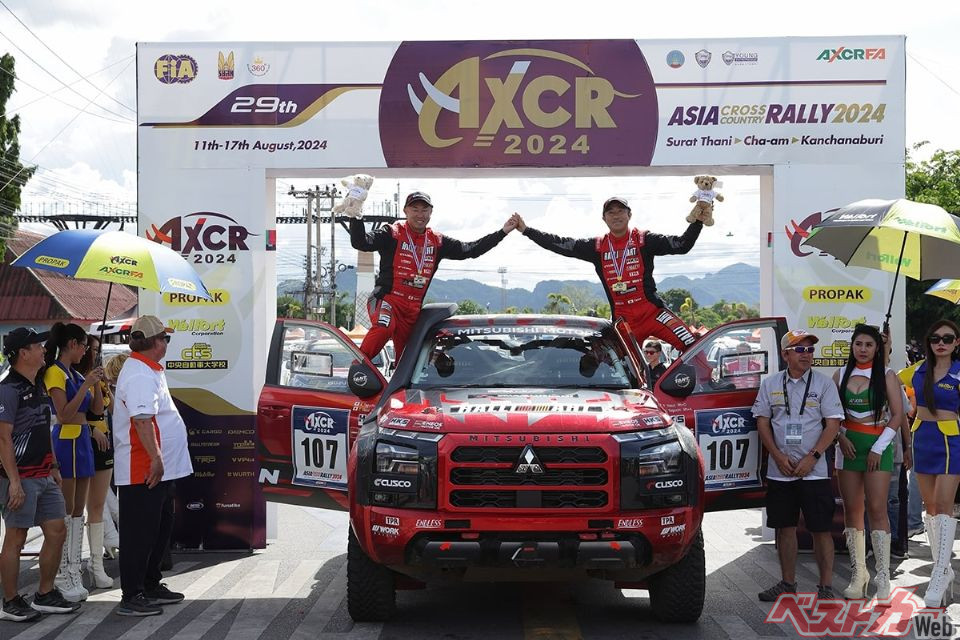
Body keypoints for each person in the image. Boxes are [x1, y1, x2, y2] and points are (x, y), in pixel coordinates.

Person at [511, 197, 707, 352]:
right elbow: (561, 244)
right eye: (610, 212)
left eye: (620, 211)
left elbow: (682, 245)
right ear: (604, 218)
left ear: (629, 215)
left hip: (654, 314)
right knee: (615, 368)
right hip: (624, 323)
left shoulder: (644, 239)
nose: (616, 216)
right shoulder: (597, 246)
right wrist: (527, 230)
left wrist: (698, 221)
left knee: (693, 348)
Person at [350, 191, 517, 360]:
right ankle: (358, 369)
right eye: (415, 209)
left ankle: (399, 378)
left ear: (431, 212)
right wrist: (356, 216)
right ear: (405, 211)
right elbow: (360, 242)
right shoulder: (391, 232)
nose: (420, 215)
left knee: (409, 360)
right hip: (387, 300)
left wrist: (503, 232)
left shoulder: (437, 241)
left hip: (413, 310)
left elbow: (470, 250)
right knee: (383, 328)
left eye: (424, 210)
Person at [752, 330, 844, 602]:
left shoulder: (824, 384)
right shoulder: (770, 384)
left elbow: (833, 424)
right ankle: (787, 584)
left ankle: (825, 588)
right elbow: (762, 422)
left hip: (814, 471)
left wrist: (812, 457)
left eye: (810, 350)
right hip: (780, 470)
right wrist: (777, 456)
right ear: (785, 355)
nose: (806, 355)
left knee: (821, 529)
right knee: (784, 528)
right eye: (800, 349)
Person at [112, 316, 192, 616]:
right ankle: (132, 594)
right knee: (139, 534)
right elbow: (142, 420)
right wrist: (156, 459)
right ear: (155, 342)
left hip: (155, 467)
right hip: (142, 467)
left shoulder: (146, 369)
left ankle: (149, 583)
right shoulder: (139, 375)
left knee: (157, 529)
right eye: (165, 338)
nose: (167, 343)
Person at [0, 327, 80, 621]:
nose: (44, 349)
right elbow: (3, 439)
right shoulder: (7, 389)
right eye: (37, 346)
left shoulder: (38, 385)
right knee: (16, 537)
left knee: (57, 530)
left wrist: (54, 466)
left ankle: (45, 594)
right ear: (23, 353)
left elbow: (44, 430)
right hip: (18, 477)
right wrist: (14, 483)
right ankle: (10, 601)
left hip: (45, 473)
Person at [832, 324, 903, 600]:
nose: (862, 349)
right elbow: (832, 414)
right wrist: (839, 437)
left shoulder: (887, 375)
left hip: (878, 448)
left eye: (869, 345)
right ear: (852, 346)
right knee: (852, 510)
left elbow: (897, 415)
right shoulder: (840, 374)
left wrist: (879, 447)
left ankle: (882, 576)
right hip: (848, 448)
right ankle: (858, 574)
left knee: (877, 509)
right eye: (858, 344)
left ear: (877, 348)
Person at [42, 323, 103, 602]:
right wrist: (86, 385)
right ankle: (62, 574)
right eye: (83, 347)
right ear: (72, 345)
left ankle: (75, 570)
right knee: (66, 510)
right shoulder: (54, 372)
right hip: (65, 441)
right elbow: (64, 413)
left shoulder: (77, 374)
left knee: (79, 510)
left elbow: (96, 410)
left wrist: (96, 382)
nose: (85, 352)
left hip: (83, 440)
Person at [910, 320, 960, 608]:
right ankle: (942, 569)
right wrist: (885, 344)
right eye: (935, 338)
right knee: (929, 508)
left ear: (956, 342)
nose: (941, 343)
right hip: (922, 438)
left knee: (943, 506)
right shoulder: (918, 370)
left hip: (951, 441)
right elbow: (886, 374)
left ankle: (940, 572)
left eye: (947, 338)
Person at [76, 335, 115, 589]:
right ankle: (70, 565)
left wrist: (102, 385)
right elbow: (66, 415)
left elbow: (103, 410)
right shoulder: (74, 378)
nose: (95, 354)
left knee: (98, 506)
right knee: (76, 508)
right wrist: (91, 430)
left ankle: (96, 564)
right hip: (81, 441)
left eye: (97, 350)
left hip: (103, 443)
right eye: (92, 350)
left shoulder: (96, 379)